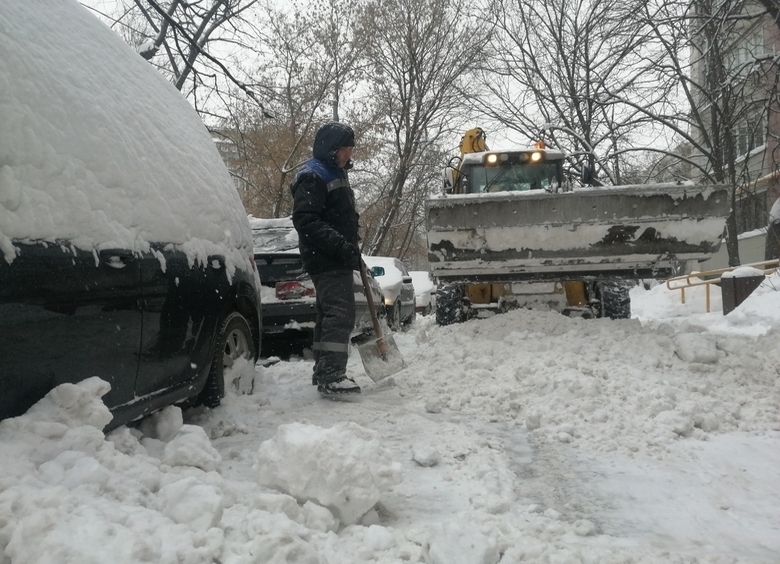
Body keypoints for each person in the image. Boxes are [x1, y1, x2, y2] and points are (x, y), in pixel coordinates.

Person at [291, 122, 362, 395]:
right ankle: (332, 375)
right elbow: (306, 220)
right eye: (346, 149)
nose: (349, 155)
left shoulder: (333, 172)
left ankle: (323, 369)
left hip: (334, 256)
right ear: (332, 148)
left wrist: (351, 247)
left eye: (350, 149)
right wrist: (340, 246)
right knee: (340, 313)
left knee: (328, 313)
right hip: (325, 258)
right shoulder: (313, 175)